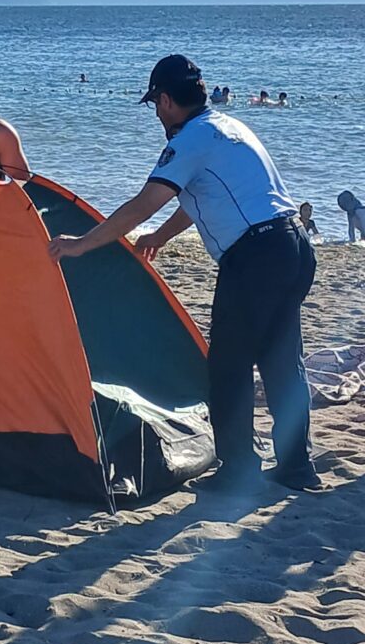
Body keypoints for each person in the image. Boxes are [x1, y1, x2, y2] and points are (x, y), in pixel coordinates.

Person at [49, 54, 320, 493]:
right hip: (293, 247)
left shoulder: (190, 139)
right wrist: (163, 235)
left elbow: (144, 200)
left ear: (169, 100)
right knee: (280, 359)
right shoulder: (228, 127)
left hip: (256, 258)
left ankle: (238, 470)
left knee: (229, 364)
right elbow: (204, 196)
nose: (156, 111)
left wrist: (81, 244)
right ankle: (296, 466)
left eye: (156, 102)